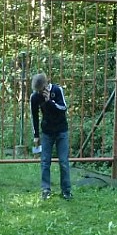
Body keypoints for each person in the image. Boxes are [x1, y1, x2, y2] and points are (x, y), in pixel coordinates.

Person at [30, 72, 72, 200]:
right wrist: (36, 135)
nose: (39, 93)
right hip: (47, 132)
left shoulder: (57, 90)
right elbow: (34, 116)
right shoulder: (35, 97)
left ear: (46, 85)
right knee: (45, 162)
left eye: (41, 90)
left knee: (64, 162)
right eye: (37, 91)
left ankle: (66, 191)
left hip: (61, 131)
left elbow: (63, 108)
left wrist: (49, 102)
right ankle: (45, 189)